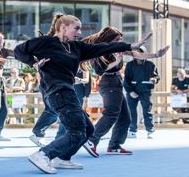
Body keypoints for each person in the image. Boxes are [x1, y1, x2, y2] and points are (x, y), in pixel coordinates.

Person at [14, 13, 150, 174]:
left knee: (88, 130)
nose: (79, 33)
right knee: (77, 131)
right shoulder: (45, 43)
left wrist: (130, 45)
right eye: (76, 29)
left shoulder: (76, 47)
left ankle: (62, 158)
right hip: (57, 92)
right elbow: (18, 51)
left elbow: (104, 47)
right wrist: (34, 63)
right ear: (63, 27)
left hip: (68, 91)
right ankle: (43, 154)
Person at [83, 27, 169, 158]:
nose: (120, 41)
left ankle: (114, 146)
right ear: (109, 40)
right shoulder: (101, 51)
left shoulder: (118, 49)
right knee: (111, 113)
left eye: (121, 39)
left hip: (116, 83)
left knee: (125, 118)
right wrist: (116, 62)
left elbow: (136, 54)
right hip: (108, 82)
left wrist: (156, 55)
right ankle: (92, 140)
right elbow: (99, 71)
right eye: (117, 39)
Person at [124, 45, 160, 139]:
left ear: (144, 54)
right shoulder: (129, 65)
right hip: (132, 91)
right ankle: (132, 130)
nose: (137, 55)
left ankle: (150, 130)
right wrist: (130, 91)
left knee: (147, 111)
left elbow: (156, 76)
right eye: (135, 53)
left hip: (145, 91)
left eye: (140, 52)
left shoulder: (150, 65)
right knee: (132, 111)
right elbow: (126, 80)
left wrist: (154, 80)